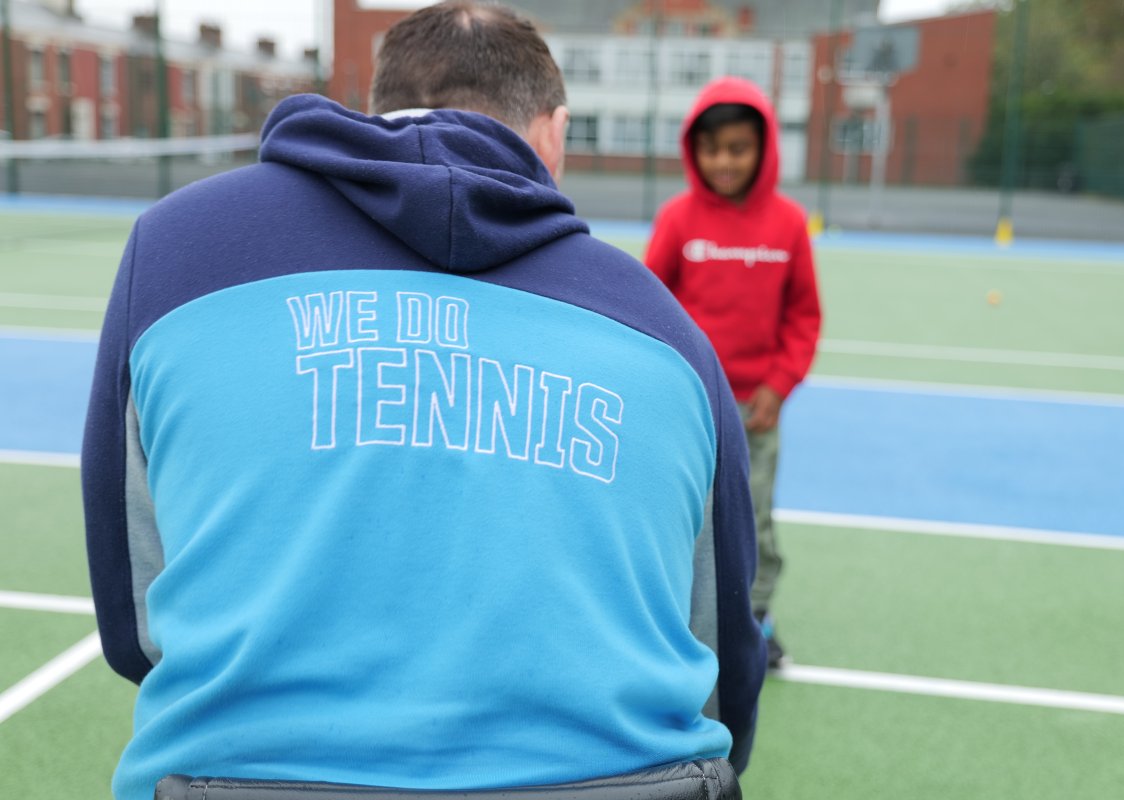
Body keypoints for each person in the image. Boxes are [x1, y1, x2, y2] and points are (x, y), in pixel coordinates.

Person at [81, 3, 765, 799]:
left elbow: (133, 620)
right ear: (555, 132)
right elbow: (720, 659)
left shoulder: (174, 252)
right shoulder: (664, 329)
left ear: (379, 107)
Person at [644, 77, 823, 670]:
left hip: (756, 412)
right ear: (693, 149)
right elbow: (651, 303)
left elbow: (803, 316)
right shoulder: (677, 219)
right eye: (712, 147)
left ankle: (756, 621)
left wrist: (779, 383)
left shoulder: (789, 224)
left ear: (764, 148)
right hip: (689, 407)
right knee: (680, 516)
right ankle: (676, 622)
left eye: (738, 148)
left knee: (754, 524)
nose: (724, 161)